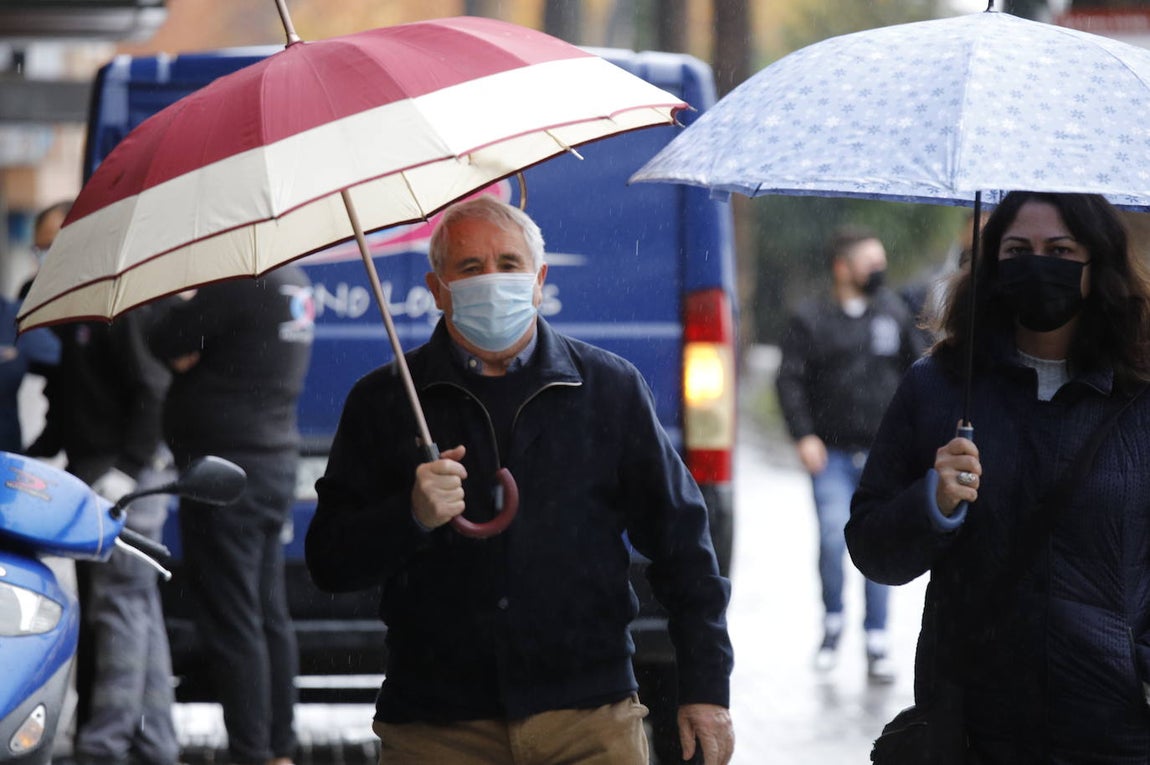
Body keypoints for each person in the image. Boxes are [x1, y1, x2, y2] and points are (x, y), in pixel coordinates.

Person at [305, 196, 735, 765]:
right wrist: (409, 516)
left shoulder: (608, 388)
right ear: (437, 290)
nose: (493, 281)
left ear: (539, 281)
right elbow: (330, 563)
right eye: (470, 268)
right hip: (437, 728)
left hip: (590, 720)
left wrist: (705, 689)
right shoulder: (386, 401)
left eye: (509, 265)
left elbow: (684, 546)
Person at [846, 191, 1150, 762]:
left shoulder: (1140, 393)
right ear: (992, 262)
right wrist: (930, 503)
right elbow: (871, 549)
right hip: (972, 723)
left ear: (1098, 262)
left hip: (1114, 731)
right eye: (1018, 250)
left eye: (1060, 249)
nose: (1039, 264)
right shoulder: (937, 386)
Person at [24, 201, 179, 765]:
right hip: (100, 471)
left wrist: (128, 471)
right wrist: (33, 455)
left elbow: (153, 388)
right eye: (39, 246)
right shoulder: (77, 310)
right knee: (139, 612)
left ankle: (104, 745)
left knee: (117, 610)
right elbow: (72, 404)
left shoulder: (117, 303)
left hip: (124, 480)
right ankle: (157, 742)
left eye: (51, 245)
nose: (42, 258)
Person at [147, 265, 314, 765]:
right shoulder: (293, 281)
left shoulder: (243, 283)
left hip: (227, 473)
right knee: (266, 616)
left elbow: (163, 338)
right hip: (268, 461)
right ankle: (277, 749)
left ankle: (252, 752)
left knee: (234, 622)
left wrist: (174, 296)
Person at [775, 224, 924, 682]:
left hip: (883, 457)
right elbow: (789, 380)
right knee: (831, 538)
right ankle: (832, 621)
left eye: (882, 261)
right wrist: (804, 434)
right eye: (869, 261)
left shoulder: (894, 314)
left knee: (880, 543)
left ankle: (876, 638)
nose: (879, 270)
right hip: (832, 456)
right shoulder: (810, 319)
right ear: (844, 267)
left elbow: (920, 374)